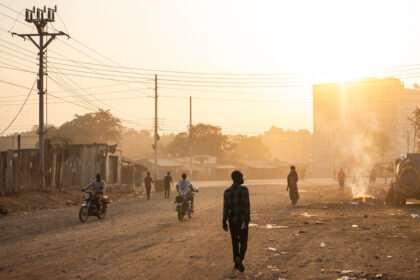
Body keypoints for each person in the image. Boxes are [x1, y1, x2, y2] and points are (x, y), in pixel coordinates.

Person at [222, 170, 250, 272]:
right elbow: (247, 207)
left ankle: (236, 262)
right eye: (241, 177)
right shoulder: (244, 190)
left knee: (235, 242)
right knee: (244, 242)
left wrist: (224, 221)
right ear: (238, 178)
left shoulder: (227, 192)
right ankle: (240, 258)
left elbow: (225, 208)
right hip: (242, 222)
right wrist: (247, 220)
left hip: (232, 221)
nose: (243, 179)